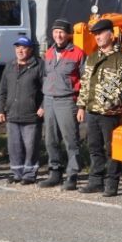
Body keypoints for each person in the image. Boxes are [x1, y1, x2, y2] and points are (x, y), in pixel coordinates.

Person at [76, 19, 122, 196]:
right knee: (94, 147)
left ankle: (112, 183)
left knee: (112, 149)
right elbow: (85, 84)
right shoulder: (92, 57)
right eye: (95, 34)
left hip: (110, 113)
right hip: (93, 111)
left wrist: (109, 104)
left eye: (100, 33)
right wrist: (81, 106)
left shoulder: (121, 59)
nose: (97, 37)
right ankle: (95, 180)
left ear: (111, 35)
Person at [39, 19, 86, 190]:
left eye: (62, 32)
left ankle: (72, 175)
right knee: (50, 139)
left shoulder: (78, 53)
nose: (58, 35)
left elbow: (85, 81)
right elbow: (45, 77)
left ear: (68, 35)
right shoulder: (49, 53)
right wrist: (43, 104)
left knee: (70, 139)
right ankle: (55, 172)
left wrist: (81, 106)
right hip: (49, 100)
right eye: (55, 32)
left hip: (67, 100)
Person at [0, 36, 45, 184]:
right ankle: (17, 173)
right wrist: (0, 110)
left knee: (31, 146)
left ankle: (29, 174)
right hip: (12, 113)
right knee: (14, 146)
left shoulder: (38, 65)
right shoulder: (10, 66)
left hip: (31, 114)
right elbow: (2, 90)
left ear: (30, 49)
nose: (20, 50)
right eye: (18, 47)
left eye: (24, 47)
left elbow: (47, 89)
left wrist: (43, 106)